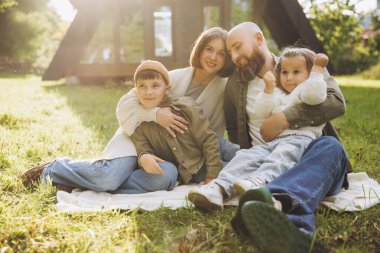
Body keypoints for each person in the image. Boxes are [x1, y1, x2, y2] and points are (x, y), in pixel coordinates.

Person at [188, 22, 351, 251]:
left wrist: (285, 118)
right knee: (248, 159)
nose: (234, 57)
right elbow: (235, 132)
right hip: (262, 164)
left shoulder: (298, 62)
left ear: (258, 38)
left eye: (237, 47)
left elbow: (336, 101)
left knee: (331, 146)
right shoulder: (235, 84)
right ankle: (292, 228)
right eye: (230, 52)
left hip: (308, 160)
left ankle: (262, 204)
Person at [21, 27, 238, 192]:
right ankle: (57, 169)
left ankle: (82, 183)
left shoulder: (223, 87)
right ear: (200, 50)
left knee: (165, 176)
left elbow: (212, 134)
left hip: (172, 151)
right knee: (109, 177)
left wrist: (209, 170)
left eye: (221, 53)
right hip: (137, 136)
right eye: (209, 49)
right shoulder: (171, 78)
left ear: (227, 58)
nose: (213, 57)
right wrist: (155, 114)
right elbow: (126, 105)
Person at [130, 60, 223, 186]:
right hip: (181, 173)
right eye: (142, 86)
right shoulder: (138, 123)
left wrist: (212, 175)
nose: (148, 92)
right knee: (164, 175)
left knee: (238, 157)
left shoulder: (185, 108)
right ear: (136, 90)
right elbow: (143, 148)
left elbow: (208, 139)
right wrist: (144, 156)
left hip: (204, 163)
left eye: (155, 85)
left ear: (167, 88)